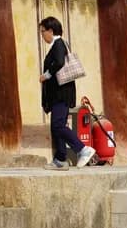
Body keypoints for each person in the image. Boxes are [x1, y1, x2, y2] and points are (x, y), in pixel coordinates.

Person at [38, 16, 94, 168]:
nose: (42, 35)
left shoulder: (59, 44)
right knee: (57, 125)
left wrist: (47, 75)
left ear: (50, 30)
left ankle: (83, 149)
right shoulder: (59, 45)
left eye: (43, 31)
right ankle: (61, 158)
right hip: (59, 92)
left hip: (61, 93)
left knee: (58, 125)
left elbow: (60, 62)